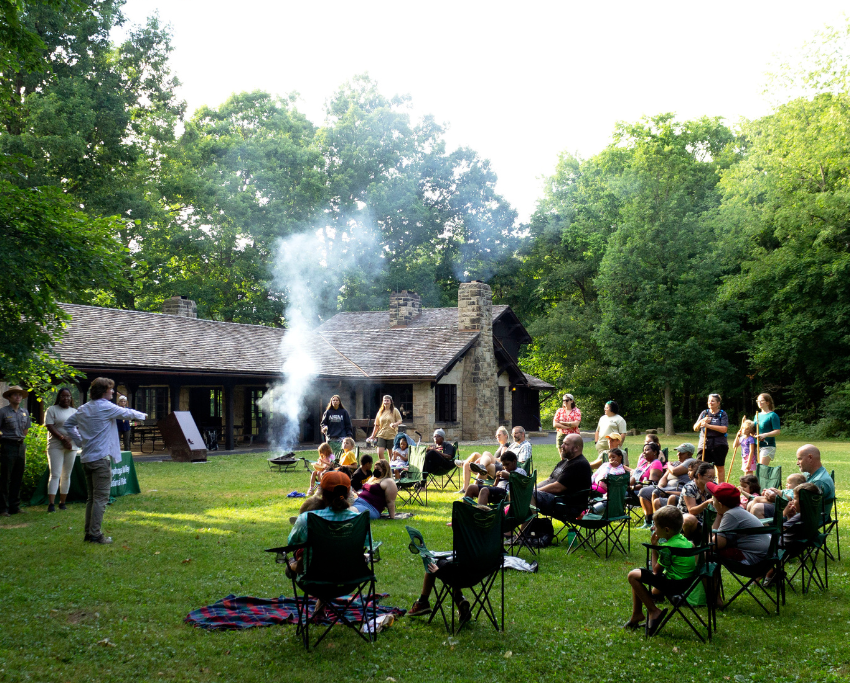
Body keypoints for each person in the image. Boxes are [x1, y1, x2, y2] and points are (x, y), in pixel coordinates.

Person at [64, 378, 146, 544]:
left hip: (87, 459)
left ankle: (89, 533)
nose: (113, 392)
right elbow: (127, 413)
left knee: (91, 499)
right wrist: (144, 415)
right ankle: (95, 534)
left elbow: (68, 425)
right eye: (111, 389)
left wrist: (80, 442)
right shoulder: (105, 407)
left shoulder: (83, 408)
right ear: (103, 392)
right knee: (101, 499)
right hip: (100, 460)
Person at [623, 505, 697, 634]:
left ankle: (653, 610)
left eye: (656, 526)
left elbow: (655, 571)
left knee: (632, 575)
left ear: (667, 530)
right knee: (638, 572)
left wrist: (654, 547)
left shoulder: (667, 547)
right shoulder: (685, 541)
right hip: (686, 582)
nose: (653, 528)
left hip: (674, 585)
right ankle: (637, 614)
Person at [709, 481, 771, 568]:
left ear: (720, 504)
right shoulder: (737, 510)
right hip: (765, 555)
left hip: (756, 560)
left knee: (707, 553)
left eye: (713, 499)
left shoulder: (731, 515)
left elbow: (714, 545)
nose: (712, 503)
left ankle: (707, 580)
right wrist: (719, 514)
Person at [531, 433, 591, 519]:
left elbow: (558, 487)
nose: (562, 446)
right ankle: (512, 529)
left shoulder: (580, 464)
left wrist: (535, 492)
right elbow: (549, 480)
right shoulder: (564, 462)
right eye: (563, 443)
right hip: (556, 500)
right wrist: (533, 489)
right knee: (522, 494)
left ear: (576, 448)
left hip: (567, 505)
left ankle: (521, 531)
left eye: (566, 444)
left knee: (528, 496)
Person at [44, 388, 79, 512]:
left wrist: (70, 439)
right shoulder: (51, 410)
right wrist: (62, 438)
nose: (66, 398)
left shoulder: (74, 411)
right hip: (55, 445)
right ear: (59, 397)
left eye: (68, 396)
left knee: (66, 475)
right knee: (55, 474)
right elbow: (50, 426)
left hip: (72, 446)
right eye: (63, 396)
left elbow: (79, 427)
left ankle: (62, 502)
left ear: (71, 398)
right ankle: (51, 504)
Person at [0, 385, 32, 517]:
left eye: (20, 395)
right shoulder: (3, 412)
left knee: (17, 477)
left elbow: (26, 429)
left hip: (20, 447)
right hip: (7, 446)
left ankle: (15, 506)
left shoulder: (24, 412)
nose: (18, 397)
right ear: (9, 397)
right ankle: (3, 508)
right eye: (15, 394)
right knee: (5, 478)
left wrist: (21, 439)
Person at [456, 425, 509, 493]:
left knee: (486, 453)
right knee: (474, 456)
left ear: (506, 435)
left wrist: (487, 457)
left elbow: (501, 460)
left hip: (498, 466)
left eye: (499, 435)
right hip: (493, 463)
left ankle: (481, 466)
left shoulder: (506, 446)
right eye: (496, 436)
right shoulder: (500, 446)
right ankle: (465, 488)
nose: (497, 437)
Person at [693, 393, 729, 484]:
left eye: (713, 401)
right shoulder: (704, 413)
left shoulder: (722, 414)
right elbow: (695, 428)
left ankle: (719, 488)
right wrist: (702, 421)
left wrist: (708, 425)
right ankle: (701, 486)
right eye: (709, 401)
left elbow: (724, 429)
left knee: (719, 466)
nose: (710, 403)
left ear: (718, 403)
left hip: (719, 444)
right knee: (700, 466)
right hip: (704, 444)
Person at [651, 443, 698, 511]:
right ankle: (654, 518)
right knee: (653, 492)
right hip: (667, 488)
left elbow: (674, 471)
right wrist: (660, 486)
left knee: (656, 492)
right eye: (678, 452)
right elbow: (664, 477)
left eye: (681, 453)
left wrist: (668, 465)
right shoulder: (676, 463)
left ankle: (664, 518)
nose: (678, 454)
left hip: (678, 489)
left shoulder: (690, 461)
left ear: (689, 454)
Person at [677, 462, 716, 540]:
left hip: (705, 519)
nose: (712, 480)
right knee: (690, 519)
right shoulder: (689, 488)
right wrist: (707, 503)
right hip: (686, 518)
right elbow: (692, 511)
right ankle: (686, 540)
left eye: (713, 477)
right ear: (699, 475)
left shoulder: (712, 486)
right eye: (709, 477)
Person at [633, 442, 664, 529]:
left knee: (644, 492)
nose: (644, 453)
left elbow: (651, 482)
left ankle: (648, 521)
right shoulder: (643, 462)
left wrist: (632, 487)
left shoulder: (656, 463)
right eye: (643, 450)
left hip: (645, 488)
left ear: (654, 452)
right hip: (633, 487)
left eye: (647, 450)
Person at [368, 395, 402, 462]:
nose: (386, 402)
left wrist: (395, 424)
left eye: (387, 400)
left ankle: (391, 468)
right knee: (379, 452)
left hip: (392, 435)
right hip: (381, 434)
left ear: (391, 402)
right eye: (384, 400)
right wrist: (372, 435)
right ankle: (385, 466)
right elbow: (377, 425)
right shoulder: (380, 411)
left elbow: (400, 420)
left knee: (391, 454)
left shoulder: (395, 410)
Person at [755, 393, 781, 465]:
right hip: (756, 445)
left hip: (768, 446)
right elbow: (754, 429)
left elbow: (777, 431)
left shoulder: (773, 415)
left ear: (767, 402)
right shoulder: (757, 415)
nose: (759, 402)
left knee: (762, 469)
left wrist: (765, 435)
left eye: (761, 401)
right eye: (758, 401)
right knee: (757, 469)